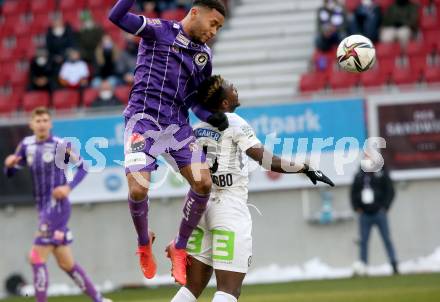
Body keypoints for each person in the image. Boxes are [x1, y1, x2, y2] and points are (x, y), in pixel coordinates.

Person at [171, 75, 334, 302]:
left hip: (202, 208)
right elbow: (267, 160)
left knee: (192, 288)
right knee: (228, 290)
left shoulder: (198, 129)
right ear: (225, 103)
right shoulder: (234, 122)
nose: (235, 88)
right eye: (231, 88)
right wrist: (305, 168)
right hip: (228, 209)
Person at [108, 0, 228, 285]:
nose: (214, 32)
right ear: (195, 12)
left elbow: (196, 101)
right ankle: (143, 241)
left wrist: (212, 116)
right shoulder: (159, 30)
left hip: (177, 127)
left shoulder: (203, 55)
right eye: (213, 24)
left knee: (203, 183)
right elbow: (117, 16)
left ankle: (180, 245)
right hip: (143, 122)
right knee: (138, 190)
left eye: (220, 28)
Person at [3, 107, 111, 302]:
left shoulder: (60, 145)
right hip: (42, 208)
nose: (42, 124)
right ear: (31, 124)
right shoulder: (26, 145)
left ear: (50, 124)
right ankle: (99, 299)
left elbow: (84, 166)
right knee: (66, 263)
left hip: (57, 207)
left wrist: (68, 188)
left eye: (45, 120)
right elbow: (11, 173)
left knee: (36, 257)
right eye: (38, 121)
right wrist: (9, 166)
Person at [350, 152, 399, 275]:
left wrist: (385, 207)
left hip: (379, 213)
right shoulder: (359, 176)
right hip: (365, 214)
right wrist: (357, 208)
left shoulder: (381, 174)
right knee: (363, 241)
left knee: (386, 239)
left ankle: (394, 265)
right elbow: (353, 193)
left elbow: (390, 190)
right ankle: (363, 267)